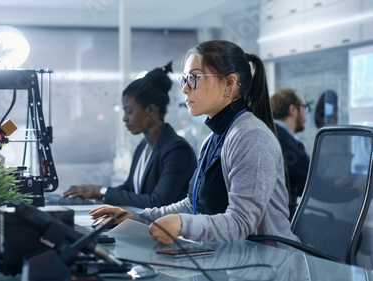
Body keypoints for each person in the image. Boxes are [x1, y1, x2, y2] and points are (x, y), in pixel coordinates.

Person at [90, 40, 298, 244]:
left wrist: (182, 224)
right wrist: (135, 218)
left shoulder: (251, 136)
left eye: (195, 78)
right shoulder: (213, 139)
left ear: (229, 83)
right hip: (230, 259)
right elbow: (193, 205)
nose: (185, 89)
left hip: (268, 264)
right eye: (185, 79)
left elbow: (241, 223)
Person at [62, 62, 197, 209]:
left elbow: (158, 202)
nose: (124, 118)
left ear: (151, 110)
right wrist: (94, 191)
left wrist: (101, 192)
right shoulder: (143, 146)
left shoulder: (176, 150)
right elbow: (131, 188)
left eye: (129, 111)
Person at [270, 88, 310, 218]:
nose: (306, 113)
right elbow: (313, 187)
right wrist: (355, 189)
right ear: (292, 109)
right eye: (305, 107)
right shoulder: (290, 144)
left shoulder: (265, 133)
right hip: (282, 222)